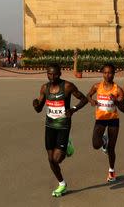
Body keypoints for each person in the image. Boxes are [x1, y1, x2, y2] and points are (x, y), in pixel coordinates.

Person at [32, 64, 88, 197]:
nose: (52, 77)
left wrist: (73, 109)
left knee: (57, 159)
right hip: (50, 126)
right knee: (50, 159)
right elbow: (39, 108)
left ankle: (67, 144)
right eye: (49, 74)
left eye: (54, 74)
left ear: (60, 74)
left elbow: (84, 99)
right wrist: (35, 104)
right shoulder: (45, 88)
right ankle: (62, 184)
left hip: (63, 125)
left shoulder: (67, 86)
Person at [87, 63, 124, 183]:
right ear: (102, 73)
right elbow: (88, 95)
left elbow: (123, 109)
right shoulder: (97, 86)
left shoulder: (117, 89)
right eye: (105, 72)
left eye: (110, 72)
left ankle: (111, 171)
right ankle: (104, 140)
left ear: (114, 74)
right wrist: (91, 100)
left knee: (111, 148)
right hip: (100, 119)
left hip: (113, 119)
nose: (107, 75)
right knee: (95, 144)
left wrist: (116, 101)